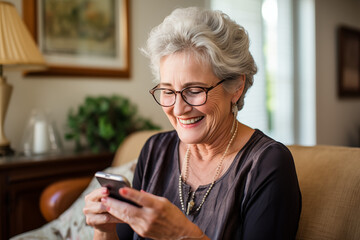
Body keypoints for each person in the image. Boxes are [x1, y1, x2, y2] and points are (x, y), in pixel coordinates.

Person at [83, 7, 301, 240]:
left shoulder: (268, 164)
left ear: (236, 87)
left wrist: (183, 235)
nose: (178, 109)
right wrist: (103, 229)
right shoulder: (155, 151)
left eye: (195, 90)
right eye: (168, 91)